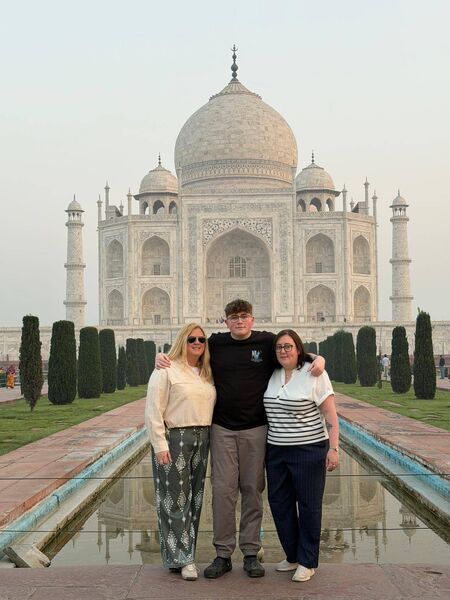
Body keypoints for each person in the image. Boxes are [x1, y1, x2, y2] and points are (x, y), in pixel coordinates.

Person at [156, 299, 325, 579]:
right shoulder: (216, 344)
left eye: (244, 316)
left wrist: (317, 359)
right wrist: (162, 358)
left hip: (256, 429)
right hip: (222, 429)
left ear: (252, 319)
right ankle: (223, 554)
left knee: (252, 489)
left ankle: (250, 551)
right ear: (225, 321)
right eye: (233, 317)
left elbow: (291, 354)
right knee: (222, 492)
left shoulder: (267, 343)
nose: (239, 321)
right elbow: (190, 352)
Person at [264, 329, 339, 583]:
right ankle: (293, 555)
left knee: (308, 506)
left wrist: (334, 448)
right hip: (276, 451)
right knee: (280, 504)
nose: (284, 351)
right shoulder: (271, 374)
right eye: (279, 347)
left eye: (288, 346)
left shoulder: (314, 374)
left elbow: (331, 417)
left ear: (298, 348)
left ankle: (307, 561)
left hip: (309, 449)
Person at [146, 323, 216, 581]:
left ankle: (184, 554)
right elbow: (153, 410)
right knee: (174, 499)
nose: (197, 343)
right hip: (176, 439)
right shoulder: (165, 370)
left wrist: (314, 357)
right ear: (181, 341)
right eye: (191, 339)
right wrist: (160, 444)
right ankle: (182, 559)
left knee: (194, 500)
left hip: (203, 437)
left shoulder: (206, 373)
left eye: (201, 339)